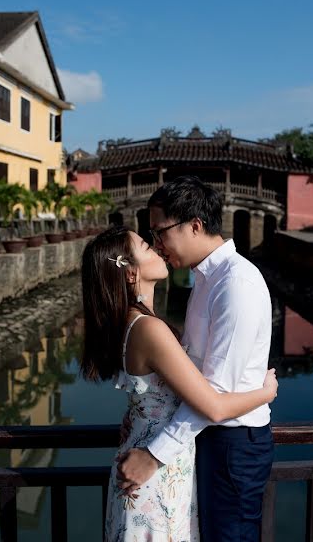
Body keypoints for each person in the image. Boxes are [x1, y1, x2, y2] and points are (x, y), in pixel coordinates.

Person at [81, 225, 278, 541]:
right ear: (131, 273)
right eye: (147, 246)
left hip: (152, 458)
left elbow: (148, 394)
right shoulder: (148, 329)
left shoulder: (132, 323)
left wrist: (137, 416)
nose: (157, 247)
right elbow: (213, 407)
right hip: (154, 473)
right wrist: (264, 393)